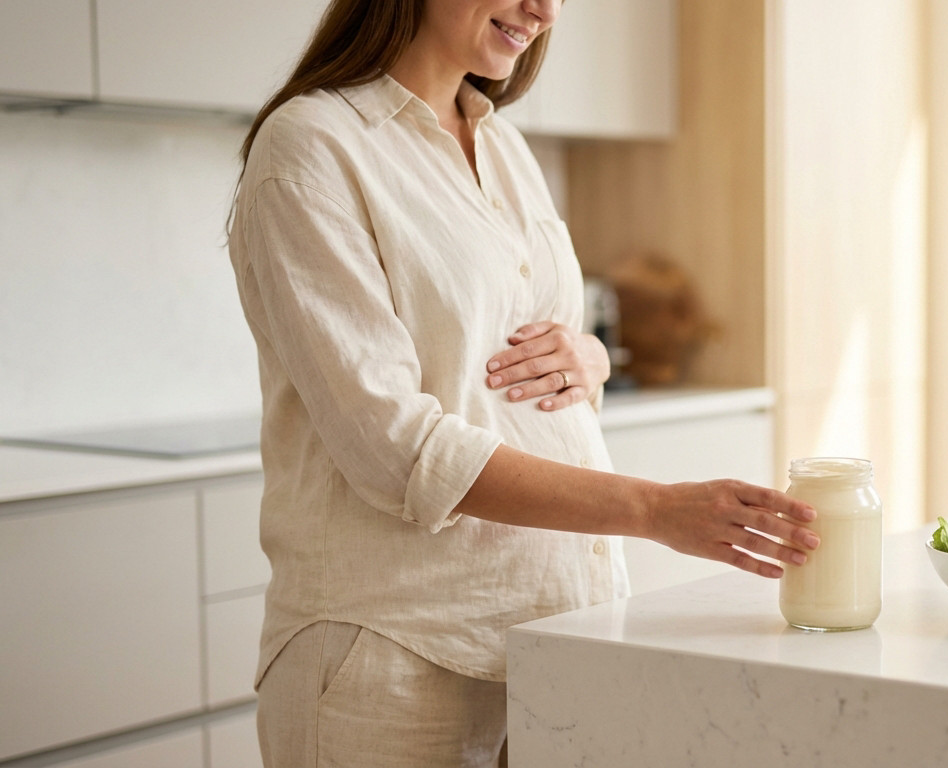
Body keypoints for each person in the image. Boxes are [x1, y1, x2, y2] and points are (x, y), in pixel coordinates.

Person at [226, 0, 820, 765]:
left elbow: (522, 351)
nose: (543, 10)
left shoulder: (501, 144)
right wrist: (654, 508)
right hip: (397, 652)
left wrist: (594, 358)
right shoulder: (312, 146)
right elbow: (393, 448)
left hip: (554, 640)